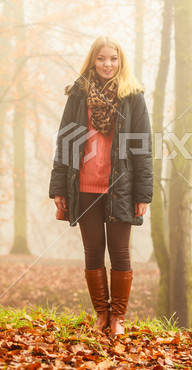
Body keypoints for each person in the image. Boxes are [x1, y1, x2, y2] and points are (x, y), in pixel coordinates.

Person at [49, 36, 153, 335]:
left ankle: (118, 317)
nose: (108, 64)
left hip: (120, 188)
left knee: (120, 252)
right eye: (101, 58)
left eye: (114, 59)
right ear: (92, 61)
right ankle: (101, 315)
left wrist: (143, 192)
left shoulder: (133, 96)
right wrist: (59, 188)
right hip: (83, 186)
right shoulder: (78, 95)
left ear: (121, 62)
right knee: (92, 251)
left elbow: (142, 148)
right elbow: (65, 143)